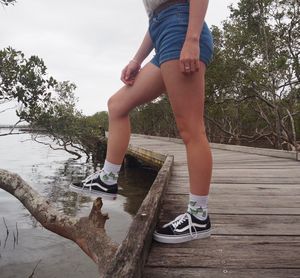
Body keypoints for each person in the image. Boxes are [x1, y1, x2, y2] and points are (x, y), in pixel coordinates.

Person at [71, 0, 214, 244]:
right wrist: (137, 59)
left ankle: (198, 217)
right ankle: (107, 179)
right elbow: (156, 16)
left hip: (181, 28)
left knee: (191, 129)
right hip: (162, 30)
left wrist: (192, 39)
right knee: (117, 105)